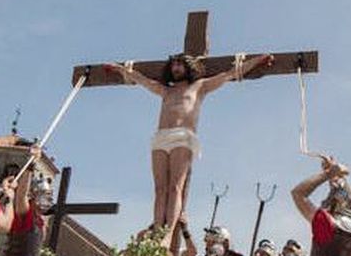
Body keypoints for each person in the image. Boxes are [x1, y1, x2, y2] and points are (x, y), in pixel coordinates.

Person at [105, 53, 275, 236]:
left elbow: (230, 74)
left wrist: (258, 61)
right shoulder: (166, 90)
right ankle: (157, 232)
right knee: (160, 189)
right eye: (174, 64)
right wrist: (119, 69)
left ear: (188, 67)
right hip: (161, 137)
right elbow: (141, 79)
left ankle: (168, 234)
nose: (176, 68)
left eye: (180, 64)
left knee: (175, 187)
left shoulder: (200, 86)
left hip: (183, 137)